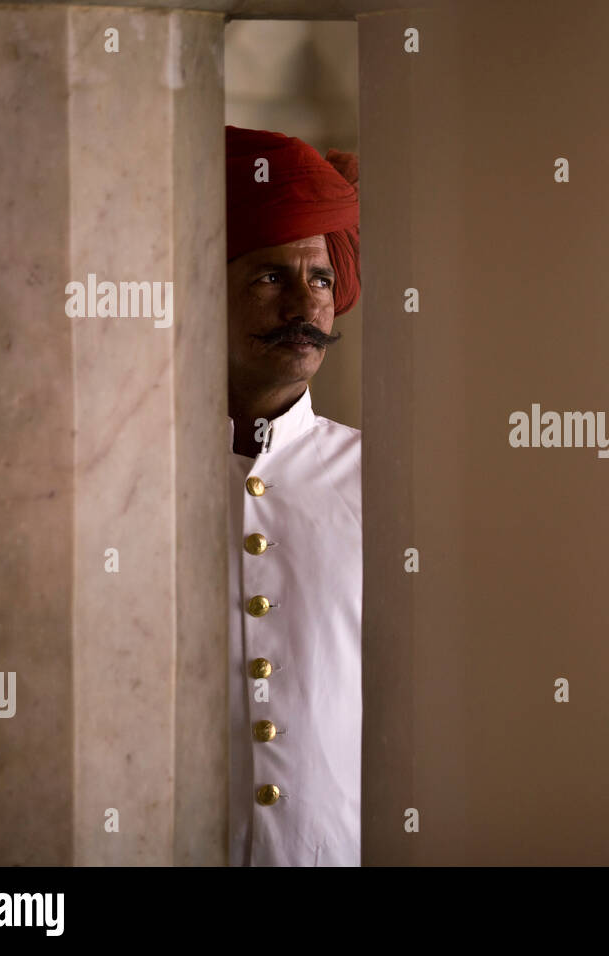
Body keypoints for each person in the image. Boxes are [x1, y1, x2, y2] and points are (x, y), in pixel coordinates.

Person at [224, 125, 362, 866]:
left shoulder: (387, 481)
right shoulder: (128, 482)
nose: (302, 307)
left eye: (318, 279)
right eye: (271, 277)